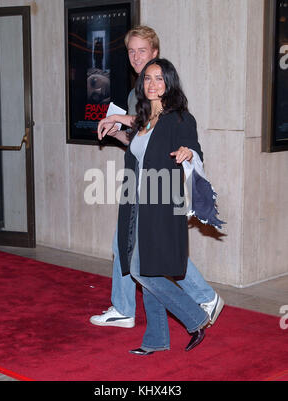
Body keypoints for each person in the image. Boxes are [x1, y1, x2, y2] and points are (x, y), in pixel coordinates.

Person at [90, 26, 224, 329]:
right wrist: (119, 134)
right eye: (131, 51)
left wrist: (187, 152)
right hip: (137, 186)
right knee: (133, 248)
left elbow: (180, 136)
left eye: (142, 51)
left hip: (158, 190)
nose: (136, 57)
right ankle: (134, 314)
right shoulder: (136, 93)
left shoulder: (168, 104)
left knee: (151, 250)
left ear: (155, 54)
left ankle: (195, 302)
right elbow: (140, 144)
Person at [120, 57, 209, 354]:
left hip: (162, 202)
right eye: (147, 78)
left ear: (169, 83)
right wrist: (119, 131)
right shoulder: (144, 119)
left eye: (159, 78)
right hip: (138, 203)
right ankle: (156, 339)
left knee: (141, 270)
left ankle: (195, 317)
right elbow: (140, 154)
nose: (152, 84)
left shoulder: (179, 117)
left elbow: (192, 148)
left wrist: (188, 153)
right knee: (150, 269)